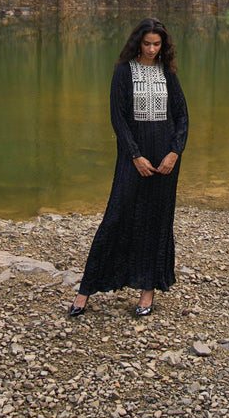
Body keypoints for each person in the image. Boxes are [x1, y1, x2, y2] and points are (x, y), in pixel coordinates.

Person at [69, 17, 189, 317]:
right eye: (147, 43)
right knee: (116, 217)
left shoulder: (167, 72)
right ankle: (86, 290)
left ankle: (148, 291)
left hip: (165, 160)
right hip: (132, 157)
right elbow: (118, 118)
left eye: (157, 44)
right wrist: (135, 155)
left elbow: (182, 116)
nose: (151, 49)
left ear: (163, 45)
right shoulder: (123, 71)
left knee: (157, 222)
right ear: (138, 42)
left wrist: (174, 153)